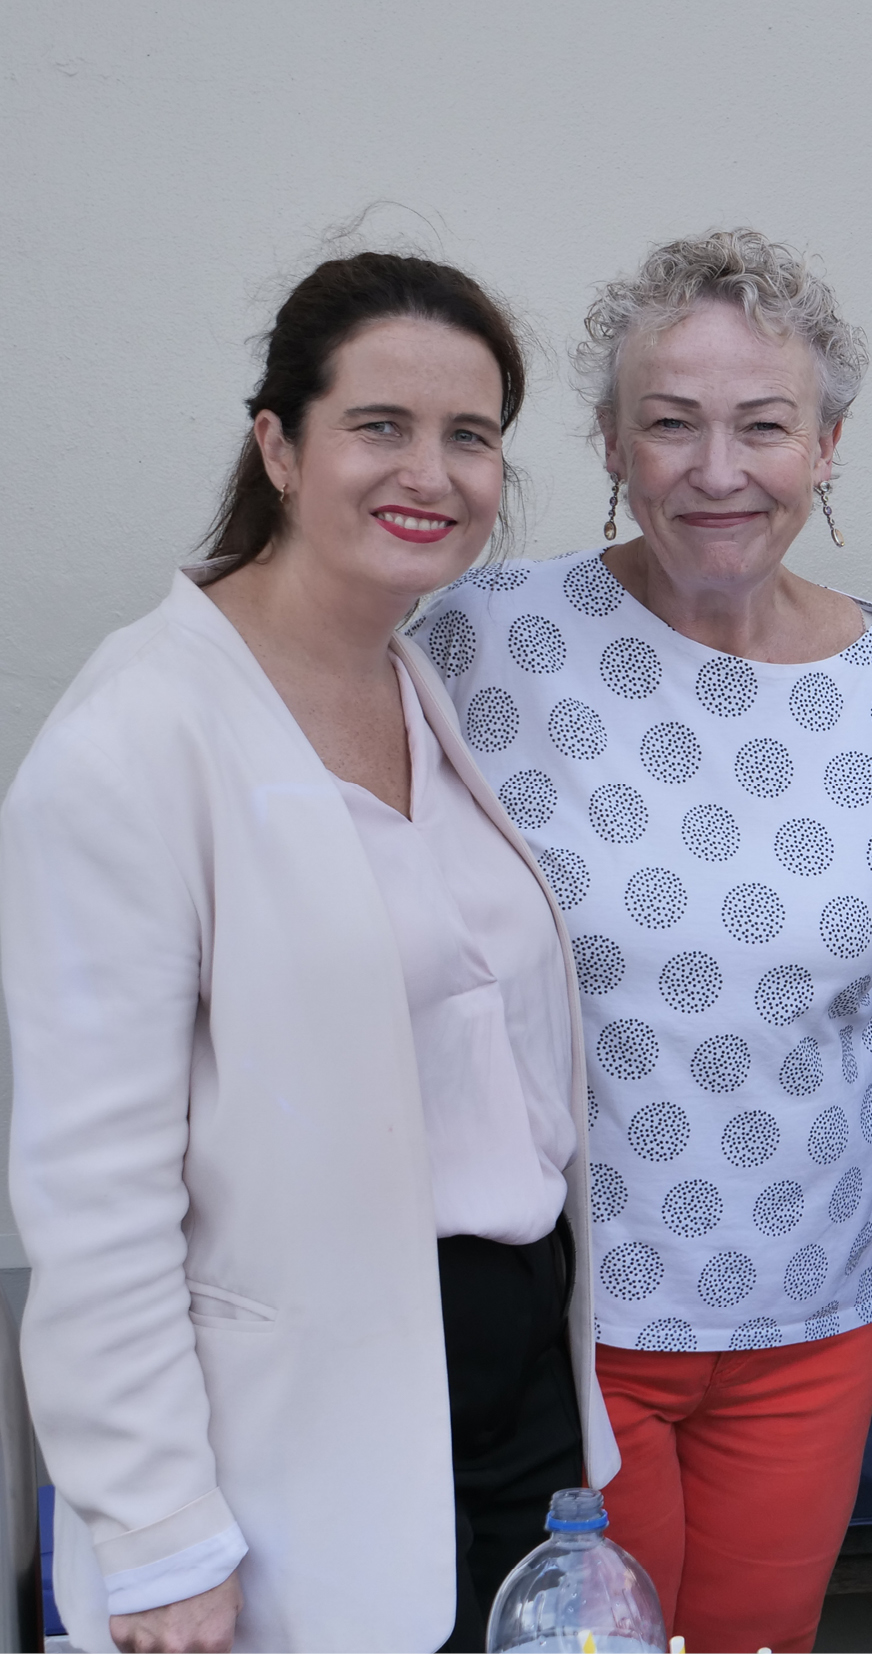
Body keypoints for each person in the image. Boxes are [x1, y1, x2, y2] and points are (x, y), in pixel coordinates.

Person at [1, 252, 613, 1653]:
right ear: (278, 444)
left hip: (514, 1399)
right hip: (296, 1436)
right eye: (379, 425)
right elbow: (93, 1193)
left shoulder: (416, 679)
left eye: (470, 436)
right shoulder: (132, 740)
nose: (432, 473)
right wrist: (158, 1538)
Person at [416, 229, 872, 1654]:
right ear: (611, 443)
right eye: (670, 423)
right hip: (570, 1304)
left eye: (764, 426)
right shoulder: (487, 642)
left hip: (811, 1300)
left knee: (762, 1639)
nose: (717, 470)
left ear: (827, 447)